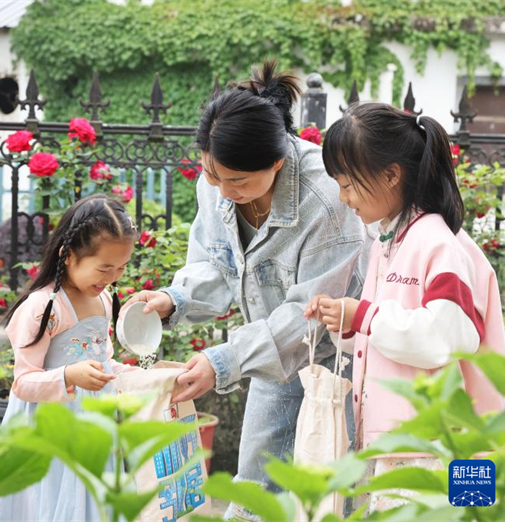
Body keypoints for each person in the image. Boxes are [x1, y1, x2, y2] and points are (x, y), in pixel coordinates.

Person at [123, 61, 367, 520]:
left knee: (333, 491)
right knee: (255, 489)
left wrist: (224, 362)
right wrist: (175, 299)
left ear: (278, 160)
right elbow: (219, 262)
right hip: (270, 358)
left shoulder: (327, 199)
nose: (223, 190)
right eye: (213, 176)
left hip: (339, 362)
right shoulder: (216, 182)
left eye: (237, 181)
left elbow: (309, 315)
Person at [306, 103, 505, 512]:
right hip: (411, 438)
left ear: (392, 174)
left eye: (347, 184)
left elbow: (446, 337)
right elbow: (391, 336)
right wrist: (345, 323)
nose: (343, 198)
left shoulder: (435, 241)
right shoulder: (392, 238)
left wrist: (361, 315)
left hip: (439, 444)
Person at [0, 194, 140, 522]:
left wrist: (130, 375)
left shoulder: (103, 299)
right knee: (48, 501)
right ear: (68, 256)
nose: (112, 278)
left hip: (93, 424)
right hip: (49, 428)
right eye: (104, 268)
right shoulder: (44, 307)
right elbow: (23, 383)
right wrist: (68, 376)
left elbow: (102, 358)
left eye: (121, 268)